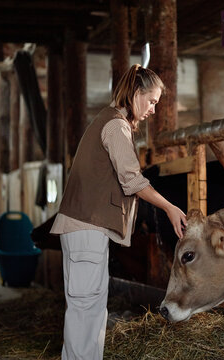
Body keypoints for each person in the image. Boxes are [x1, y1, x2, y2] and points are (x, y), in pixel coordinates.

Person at [50, 64, 186, 360]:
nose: (152, 109)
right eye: (151, 101)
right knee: (86, 307)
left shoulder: (109, 122)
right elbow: (132, 180)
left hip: (86, 229)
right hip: (86, 229)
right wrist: (169, 207)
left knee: (90, 306)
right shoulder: (115, 125)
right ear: (137, 93)